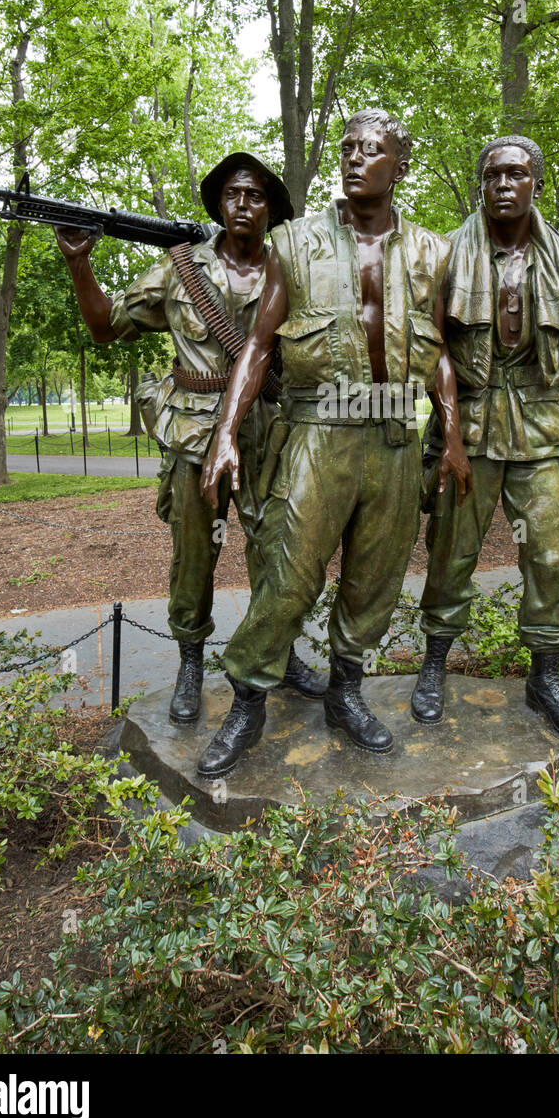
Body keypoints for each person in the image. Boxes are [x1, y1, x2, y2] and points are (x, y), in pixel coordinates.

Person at [197, 109, 471, 778]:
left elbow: (439, 354)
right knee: (290, 572)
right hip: (320, 427)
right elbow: (259, 345)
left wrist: (453, 437)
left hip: (396, 434)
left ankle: (346, 691)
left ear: (399, 166)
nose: (353, 160)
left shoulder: (434, 252)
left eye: (370, 151)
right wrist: (226, 435)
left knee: (375, 579)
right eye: (348, 148)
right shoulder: (295, 242)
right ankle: (249, 699)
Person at [54, 152, 326, 725]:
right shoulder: (180, 268)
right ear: (219, 204)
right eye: (232, 194)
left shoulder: (292, 270)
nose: (242, 204)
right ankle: (189, 662)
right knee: (194, 555)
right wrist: (81, 265)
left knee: (276, 548)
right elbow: (105, 328)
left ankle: (279, 650)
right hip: (194, 431)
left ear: (272, 209)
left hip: (266, 428)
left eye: (254, 195)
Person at [414, 134, 559, 740]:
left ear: (536, 181)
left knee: (548, 553)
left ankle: (545, 676)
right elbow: (435, 352)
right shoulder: (446, 255)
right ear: (480, 186)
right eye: (493, 177)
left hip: (539, 426)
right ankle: (434, 665)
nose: (504, 185)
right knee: (452, 551)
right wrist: (451, 439)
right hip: (473, 425)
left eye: (516, 175)